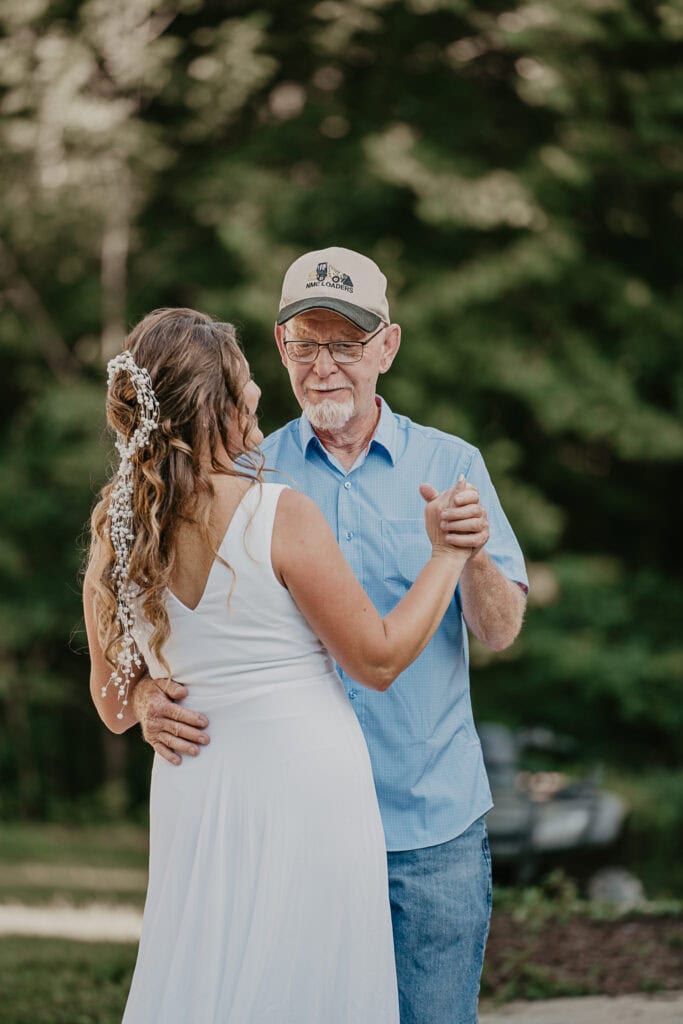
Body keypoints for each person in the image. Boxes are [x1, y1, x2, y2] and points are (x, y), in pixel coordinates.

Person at [133, 248, 528, 1024]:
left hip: (427, 824)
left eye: (345, 345)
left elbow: (499, 629)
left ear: (387, 347)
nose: (323, 367)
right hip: (295, 825)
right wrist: (145, 688)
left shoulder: (451, 464)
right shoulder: (244, 472)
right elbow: (173, 610)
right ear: (279, 349)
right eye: (305, 344)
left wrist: (471, 551)